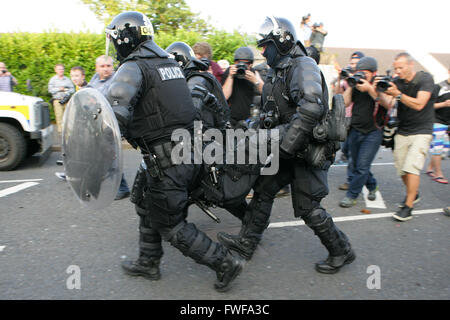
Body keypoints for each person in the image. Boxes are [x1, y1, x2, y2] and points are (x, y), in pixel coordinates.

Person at [104, 11, 243, 292]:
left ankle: (224, 262)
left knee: (171, 224)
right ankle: (148, 261)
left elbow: (112, 116)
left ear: (125, 39)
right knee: (145, 203)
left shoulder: (133, 67)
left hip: (168, 160)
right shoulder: (168, 64)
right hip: (185, 153)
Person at [217, 16, 355, 275]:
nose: (261, 50)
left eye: (265, 44)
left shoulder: (303, 66)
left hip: (305, 150)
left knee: (309, 209)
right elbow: (270, 114)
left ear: (280, 42)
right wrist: (251, 132)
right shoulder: (277, 71)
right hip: (287, 149)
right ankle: (247, 243)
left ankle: (341, 250)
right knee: (263, 189)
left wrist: (284, 146)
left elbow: (312, 106)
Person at [376, 52, 435, 221]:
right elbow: (389, 104)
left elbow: (419, 104)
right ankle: (413, 193)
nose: (398, 71)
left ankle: (408, 206)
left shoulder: (425, 79)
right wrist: (379, 92)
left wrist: (398, 94)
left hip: (422, 130)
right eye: (396, 68)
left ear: (411, 65)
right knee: (402, 169)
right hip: (402, 130)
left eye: (401, 67)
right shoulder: (397, 82)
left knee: (411, 167)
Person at [339, 57, 386, 208]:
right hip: (355, 130)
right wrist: (351, 85)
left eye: (364, 73)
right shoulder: (355, 86)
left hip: (373, 132)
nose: (361, 76)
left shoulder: (380, 84)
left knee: (362, 166)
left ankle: (351, 195)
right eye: (359, 72)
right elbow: (345, 103)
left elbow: (385, 102)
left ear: (374, 73)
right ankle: (372, 186)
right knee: (358, 164)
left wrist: (370, 88)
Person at [88, 55, 131, 200]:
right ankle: (100, 183)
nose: (106, 69)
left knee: (110, 156)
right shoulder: (94, 80)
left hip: (110, 124)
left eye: (108, 66)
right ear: (97, 68)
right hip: (96, 124)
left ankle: (122, 187)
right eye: (102, 66)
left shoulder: (116, 81)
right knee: (100, 156)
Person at [334, 51, 365, 188]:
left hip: (357, 118)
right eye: (351, 63)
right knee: (345, 149)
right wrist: (340, 77)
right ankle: (357, 176)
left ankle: (352, 180)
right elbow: (337, 94)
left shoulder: (363, 78)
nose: (353, 66)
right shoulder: (346, 77)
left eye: (356, 64)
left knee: (354, 154)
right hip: (345, 117)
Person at [55, 66, 88, 181]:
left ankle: (74, 173)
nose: (74, 78)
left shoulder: (86, 89)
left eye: (77, 76)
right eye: (72, 76)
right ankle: (71, 171)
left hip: (84, 127)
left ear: (83, 76)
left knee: (79, 151)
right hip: (78, 126)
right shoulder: (77, 88)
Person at [221, 47, 264, 127]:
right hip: (230, 119)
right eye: (239, 63)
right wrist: (230, 76)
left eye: (245, 64)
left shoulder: (253, 72)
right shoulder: (229, 71)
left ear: (250, 64)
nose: (242, 66)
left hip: (248, 119)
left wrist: (255, 80)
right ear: (235, 63)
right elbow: (224, 96)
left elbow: (265, 92)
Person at [425, 68, 450, 184]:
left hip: (447, 123)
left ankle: (430, 168)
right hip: (436, 121)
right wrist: (444, 104)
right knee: (438, 149)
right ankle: (438, 174)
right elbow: (427, 105)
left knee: (444, 149)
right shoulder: (439, 86)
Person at [48, 64, 75, 134]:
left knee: (68, 116)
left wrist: (66, 91)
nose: (61, 70)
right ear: (55, 70)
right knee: (59, 116)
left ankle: (69, 132)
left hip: (66, 100)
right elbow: (50, 90)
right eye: (59, 69)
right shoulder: (53, 80)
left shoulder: (67, 80)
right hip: (57, 100)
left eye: (62, 69)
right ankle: (61, 132)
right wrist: (59, 89)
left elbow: (72, 89)